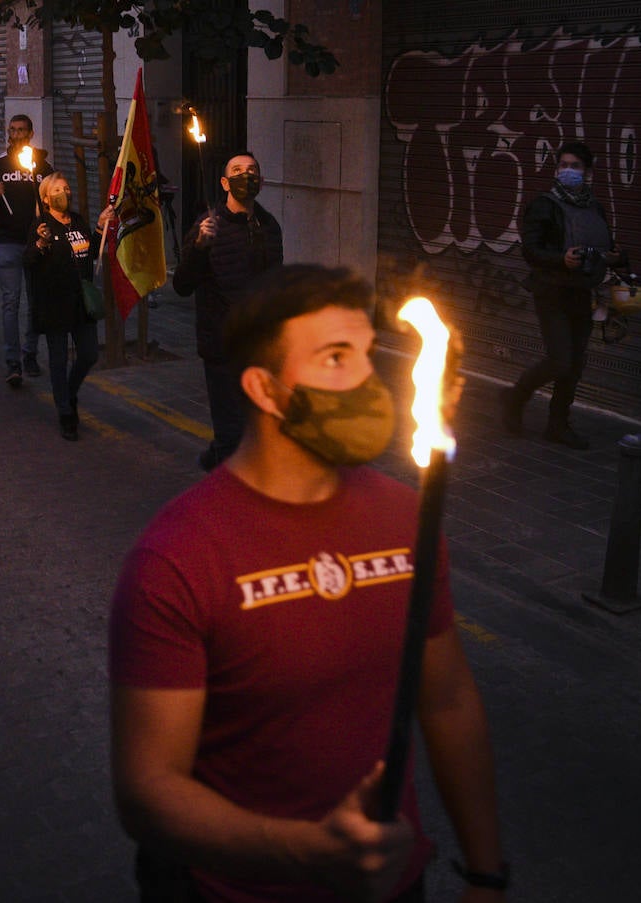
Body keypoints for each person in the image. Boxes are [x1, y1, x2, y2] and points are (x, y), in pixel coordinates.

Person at [109, 264, 506, 903]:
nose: (367, 381)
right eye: (334, 358)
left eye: (367, 356)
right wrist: (305, 852)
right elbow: (148, 791)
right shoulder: (176, 560)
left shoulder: (408, 519)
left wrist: (487, 873)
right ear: (266, 390)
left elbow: (449, 701)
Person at [501, 140, 625, 450]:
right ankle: (516, 396)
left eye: (576, 166)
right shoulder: (544, 205)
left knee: (575, 362)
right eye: (563, 165)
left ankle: (558, 424)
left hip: (582, 291)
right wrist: (561, 259)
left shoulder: (593, 206)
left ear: (588, 172)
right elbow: (531, 249)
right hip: (551, 290)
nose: (568, 171)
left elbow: (602, 244)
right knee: (559, 360)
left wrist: (613, 256)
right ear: (556, 169)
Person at [173, 151, 283, 471]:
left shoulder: (269, 226)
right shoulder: (208, 228)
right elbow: (182, 285)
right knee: (232, 431)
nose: (244, 176)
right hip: (221, 345)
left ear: (260, 182)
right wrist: (199, 247)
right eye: (237, 170)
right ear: (224, 182)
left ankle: (215, 456)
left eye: (251, 171)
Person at [24, 173, 112, 440]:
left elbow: (90, 250)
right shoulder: (42, 225)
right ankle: (65, 412)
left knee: (89, 354)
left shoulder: (78, 221)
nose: (65, 193)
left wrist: (99, 227)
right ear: (46, 198)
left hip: (81, 302)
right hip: (54, 303)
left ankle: (70, 393)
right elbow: (28, 261)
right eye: (58, 190)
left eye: (67, 187)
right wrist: (41, 244)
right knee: (58, 359)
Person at [0, 114, 53, 386]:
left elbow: (56, 202)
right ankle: (13, 361)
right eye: (13, 130)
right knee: (11, 302)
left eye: (22, 130)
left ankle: (30, 354)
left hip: (35, 243)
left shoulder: (42, 166)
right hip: (8, 241)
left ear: (31, 133)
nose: (17, 134)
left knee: (35, 302)